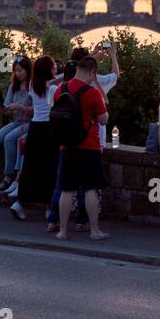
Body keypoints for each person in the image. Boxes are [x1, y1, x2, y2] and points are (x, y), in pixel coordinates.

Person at [53, 55, 109, 241]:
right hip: (89, 146)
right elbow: (103, 120)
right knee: (91, 188)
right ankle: (94, 231)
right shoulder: (93, 93)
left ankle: (62, 231)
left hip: (67, 145)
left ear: (77, 69)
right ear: (93, 72)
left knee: (66, 189)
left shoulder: (60, 89)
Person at [16, 54, 61, 223]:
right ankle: (49, 207)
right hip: (48, 129)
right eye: (53, 66)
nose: (56, 68)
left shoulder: (32, 86)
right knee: (49, 168)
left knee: (29, 167)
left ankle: (19, 203)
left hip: (34, 128)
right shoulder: (52, 89)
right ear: (49, 70)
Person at [0, 55, 32, 195]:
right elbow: (9, 109)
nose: (18, 74)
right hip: (16, 121)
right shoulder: (13, 86)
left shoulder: (33, 87)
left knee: (9, 138)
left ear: (28, 70)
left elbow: (37, 111)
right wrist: (4, 109)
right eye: (16, 71)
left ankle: (8, 176)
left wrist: (19, 107)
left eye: (21, 70)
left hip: (29, 123)